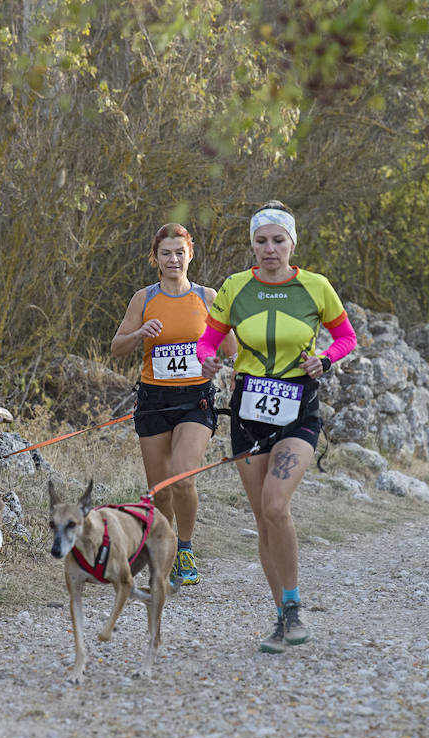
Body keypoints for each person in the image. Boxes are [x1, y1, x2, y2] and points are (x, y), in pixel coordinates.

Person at [197, 201, 357, 654]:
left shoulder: (315, 287)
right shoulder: (234, 287)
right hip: (248, 411)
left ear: (291, 243)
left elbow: (347, 337)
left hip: (298, 409)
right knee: (263, 519)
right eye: (262, 241)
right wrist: (208, 358)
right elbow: (210, 337)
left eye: (278, 240)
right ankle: (282, 616)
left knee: (275, 503)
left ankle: (293, 608)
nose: (270, 249)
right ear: (253, 244)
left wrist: (324, 359)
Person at [110, 223, 237, 587]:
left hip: (194, 399)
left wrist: (217, 360)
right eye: (166, 253)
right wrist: (138, 334)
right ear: (156, 258)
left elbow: (233, 350)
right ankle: (163, 545)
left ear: (190, 254)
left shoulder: (207, 297)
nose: (173, 259)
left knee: (182, 474)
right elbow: (118, 345)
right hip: (153, 399)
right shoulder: (144, 298)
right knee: (160, 488)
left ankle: (185, 547)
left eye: (179, 252)